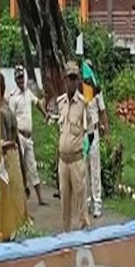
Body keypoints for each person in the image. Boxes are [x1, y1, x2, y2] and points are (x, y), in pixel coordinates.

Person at [56, 61, 89, 232]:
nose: (71, 82)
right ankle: (66, 239)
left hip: (77, 161)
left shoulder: (83, 104)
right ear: (65, 79)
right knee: (64, 205)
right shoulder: (60, 103)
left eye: (74, 78)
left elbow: (89, 131)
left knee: (81, 204)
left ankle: (84, 239)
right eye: (69, 78)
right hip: (63, 162)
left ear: (78, 81)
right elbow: (60, 131)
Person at [9, 64, 47, 206]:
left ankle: (40, 198)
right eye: (18, 78)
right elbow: (11, 119)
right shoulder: (13, 97)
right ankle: (21, 199)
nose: (21, 80)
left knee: (32, 166)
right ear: (15, 79)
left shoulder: (28, 92)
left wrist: (45, 114)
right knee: (20, 168)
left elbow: (37, 102)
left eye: (22, 77)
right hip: (19, 135)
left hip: (29, 136)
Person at [80, 56, 108, 219]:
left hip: (94, 132)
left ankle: (97, 203)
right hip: (84, 134)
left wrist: (106, 129)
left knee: (95, 169)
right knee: (83, 170)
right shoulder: (81, 93)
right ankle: (87, 201)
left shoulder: (97, 93)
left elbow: (102, 111)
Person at [0, 74, 28, 193]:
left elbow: (3, 146)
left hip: (7, 167)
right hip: (14, 162)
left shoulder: (0, 113)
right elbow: (17, 144)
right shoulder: (8, 109)